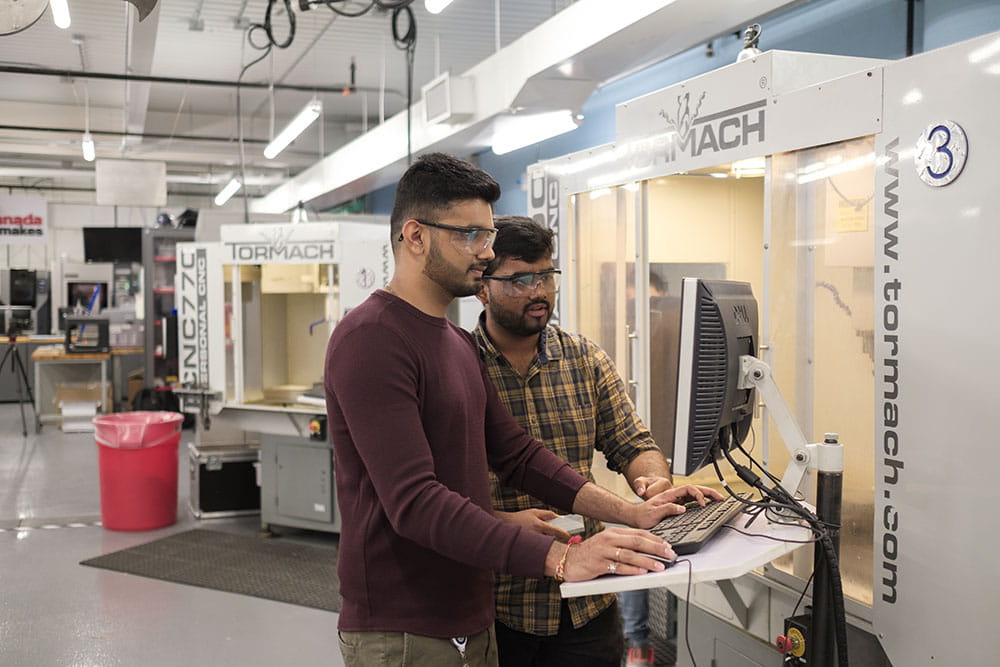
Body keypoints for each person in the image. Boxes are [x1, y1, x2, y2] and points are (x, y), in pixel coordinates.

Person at [324, 153, 703, 667]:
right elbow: (414, 501)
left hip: (471, 616)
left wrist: (631, 512)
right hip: (406, 628)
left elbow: (518, 455)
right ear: (415, 236)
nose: (485, 252)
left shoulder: (453, 342)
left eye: (487, 237)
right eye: (470, 236)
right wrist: (563, 558)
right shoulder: (372, 339)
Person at [473, 216, 722, 667]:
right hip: (497, 604)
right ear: (482, 288)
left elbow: (632, 442)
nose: (539, 292)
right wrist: (502, 520)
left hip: (588, 600)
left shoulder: (583, 358)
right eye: (520, 280)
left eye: (547, 276)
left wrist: (654, 488)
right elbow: (436, 496)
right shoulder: (459, 366)